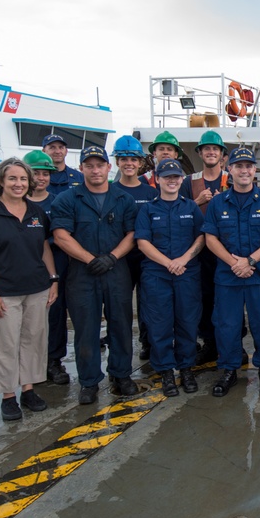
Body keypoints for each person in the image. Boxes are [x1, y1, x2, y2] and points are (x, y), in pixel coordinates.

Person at [0, 158, 58, 421]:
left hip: (36, 288)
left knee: (33, 341)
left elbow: (43, 248)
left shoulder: (36, 212)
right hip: (1, 291)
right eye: (12, 179)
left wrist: (53, 279)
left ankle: (28, 390)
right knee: (4, 344)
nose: (18, 184)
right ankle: (8, 396)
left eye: (22, 179)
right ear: (0, 182)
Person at [51, 145, 138, 405]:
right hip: (82, 273)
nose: (95, 170)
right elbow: (60, 235)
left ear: (109, 167)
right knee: (86, 330)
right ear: (81, 169)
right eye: (89, 165)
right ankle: (89, 382)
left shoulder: (124, 199)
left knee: (121, 326)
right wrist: (90, 259)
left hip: (116, 270)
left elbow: (132, 234)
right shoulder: (67, 200)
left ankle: (121, 374)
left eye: (100, 164)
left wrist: (112, 257)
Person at [204, 148, 260, 397]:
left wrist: (249, 261)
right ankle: (229, 369)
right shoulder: (218, 202)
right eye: (239, 166)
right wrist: (234, 263)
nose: (244, 170)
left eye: (249, 166)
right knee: (227, 324)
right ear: (230, 169)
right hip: (229, 276)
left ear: (254, 170)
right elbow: (210, 237)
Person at [135, 158, 206, 397]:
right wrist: (168, 263)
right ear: (157, 180)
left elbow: (202, 237)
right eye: (167, 177)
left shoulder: (191, 207)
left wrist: (183, 260)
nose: (172, 181)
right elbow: (143, 243)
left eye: (176, 177)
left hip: (187, 273)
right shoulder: (148, 209)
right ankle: (166, 370)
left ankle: (185, 368)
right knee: (160, 324)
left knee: (187, 322)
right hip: (157, 275)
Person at [180, 130, 230, 363]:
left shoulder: (232, 177)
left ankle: (232, 343)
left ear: (222, 154)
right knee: (203, 298)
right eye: (206, 148)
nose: (211, 152)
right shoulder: (189, 182)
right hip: (199, 251)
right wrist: (196, 202)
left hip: (227, 249)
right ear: (200, 152)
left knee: (228, 299)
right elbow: (177, 211)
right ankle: (209, 343)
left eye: (215, 149)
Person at [23, 150, 71, 386]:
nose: (40, 178)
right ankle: (31, 363)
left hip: (58, 262)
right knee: (27, 317)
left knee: (55, 313)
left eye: (45, 173)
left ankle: (53, 360)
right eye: (35, 173)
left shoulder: (58, 202)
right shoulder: (14, 203)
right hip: (24, 266)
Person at [111, 135, 158, 360]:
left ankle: (147, 342)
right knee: (119, 308)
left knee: (148, 303)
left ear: (140, 163)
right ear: (117, 162)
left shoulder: (150, 193)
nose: (129, 163)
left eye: (133, 159)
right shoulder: (110, 192)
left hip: (146, 257)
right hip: (120, 260)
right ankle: (119, 349)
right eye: (123, 159)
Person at [41, 134, 83, 383]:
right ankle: (53, 359)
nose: (57, 151)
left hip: (77, 255)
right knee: (53, 311)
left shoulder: (77, 179)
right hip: (50, 255)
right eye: (52, 147)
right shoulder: (34, 185)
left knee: (81, 309)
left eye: (61, 147)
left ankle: (85, 355)